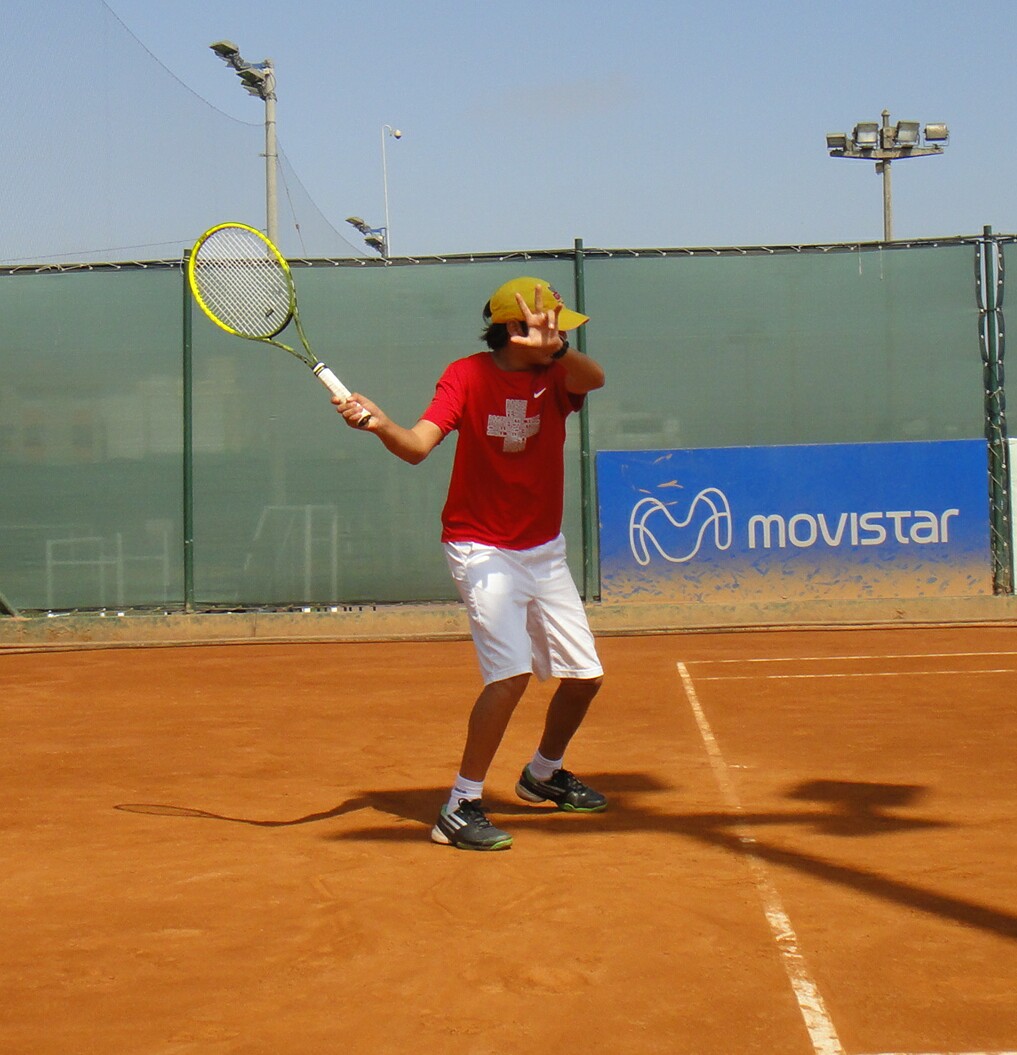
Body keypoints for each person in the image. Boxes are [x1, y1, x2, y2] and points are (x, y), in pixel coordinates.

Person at [334, 277, 606, 851]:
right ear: (515, 328)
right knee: (509, 677)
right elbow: (416, 446)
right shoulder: (466, 375)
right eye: (549, 325)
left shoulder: (558, 371)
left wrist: (553, 349)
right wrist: (380, 423)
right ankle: (459, 806)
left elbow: (595, 377)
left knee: (585, 677)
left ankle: (541, 773)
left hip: (543, 548)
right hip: (480, 546)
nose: (561, 335)